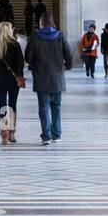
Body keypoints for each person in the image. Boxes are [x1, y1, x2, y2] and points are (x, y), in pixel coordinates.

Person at [25, 13, 72, 145]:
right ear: (52, 23)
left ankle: (46, 136)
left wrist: (34, 63)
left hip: (41, 78)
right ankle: (56, 135)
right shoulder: (60, 36)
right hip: (57, 78)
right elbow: (69, 54)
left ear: (41, 23)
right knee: (56, 106)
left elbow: (27, 57)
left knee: (43, 107)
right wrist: (67, 66)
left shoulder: (35, 37)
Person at [0, 22, 26, 144]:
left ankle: (3, 135)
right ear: (8, 30)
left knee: (2, 107)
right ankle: (11, 133)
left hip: (0, 80)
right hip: (13, 80)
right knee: (12, 106)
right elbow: (21, 64)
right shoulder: (15, 44)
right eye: (11, 29)